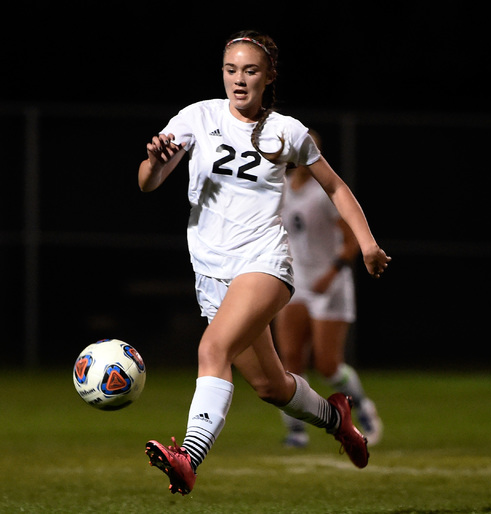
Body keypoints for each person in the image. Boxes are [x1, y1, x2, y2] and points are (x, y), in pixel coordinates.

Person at [138, 30, 390, 496]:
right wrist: (155, 162)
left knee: (212, 351)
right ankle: (338, 418)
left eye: (250, 70)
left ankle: (188, 458)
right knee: (273, 387)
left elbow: (334, 187)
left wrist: (367, 243)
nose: (239, 79)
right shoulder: (199, 116)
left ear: (268, 75)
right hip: (211, 272)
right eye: (231, 70)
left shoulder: (286, 131)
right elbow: (148, 183)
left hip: (263, 263)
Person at [274, 130, 383, 449]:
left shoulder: (324, 191)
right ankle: (296, 431)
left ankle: (363, 409)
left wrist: (330, 272)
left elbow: (350, 242)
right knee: (290, 360)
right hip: (295, 281)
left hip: (329, 283)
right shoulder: (279, 188)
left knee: (327, 364)